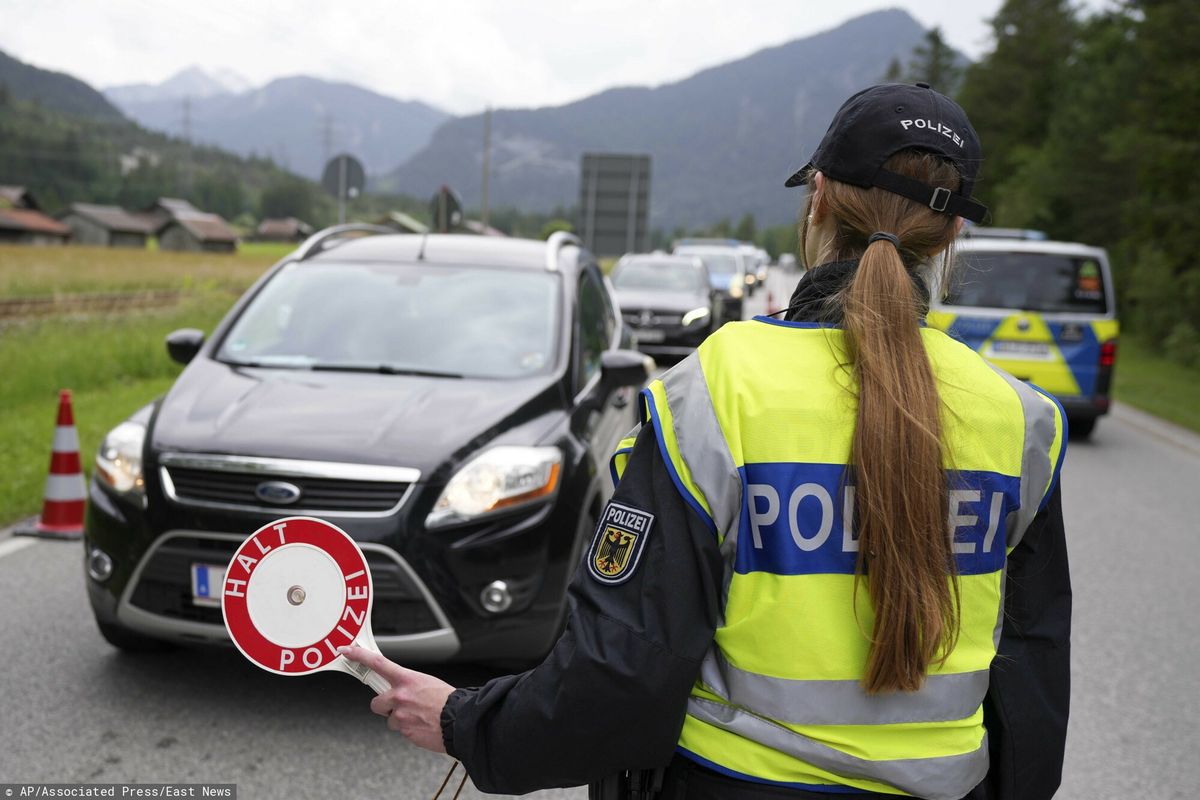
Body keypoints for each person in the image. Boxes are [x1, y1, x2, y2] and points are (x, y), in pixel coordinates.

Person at [341, 83, 1071, 800]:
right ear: (954, 234)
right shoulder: (1020, 419)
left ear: (817, 197)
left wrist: (468, 723)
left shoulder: (717, 388)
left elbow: (623, 667)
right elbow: (1031, 682)